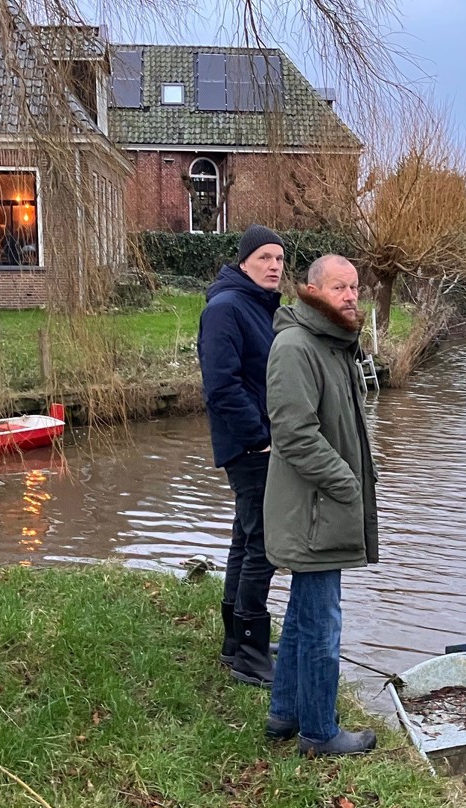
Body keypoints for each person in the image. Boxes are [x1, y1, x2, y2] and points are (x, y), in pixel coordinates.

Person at [262, 254, 379, 757]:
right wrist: (347, 483)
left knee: (304, 614)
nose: (351, 296)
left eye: (354, 288)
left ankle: (284, 714)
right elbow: (293, 434)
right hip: (314, 511)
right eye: (339, 288)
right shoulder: (296, 346)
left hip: (322, 508)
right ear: (312, 291)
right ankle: (319, 732)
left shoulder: (334, 345)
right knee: (322, 623)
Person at [197, 224, 285, 686]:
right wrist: (257, 437)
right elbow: (221, 386)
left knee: (244, 538)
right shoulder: (226, 308)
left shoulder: (257, 306)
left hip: (257, 442)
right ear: (244, 262)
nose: (274, 266)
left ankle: (238, 641)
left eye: (279, 259)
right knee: (263, 545)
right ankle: (250, 655)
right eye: (265, 258)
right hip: (251, 446)